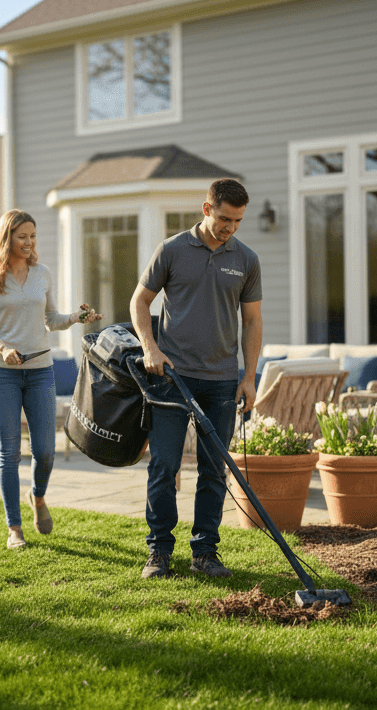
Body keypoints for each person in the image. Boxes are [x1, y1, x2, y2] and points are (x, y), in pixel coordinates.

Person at [129, 178, 262, 578]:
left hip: (222, 380)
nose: (230, 228)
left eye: (238, 221)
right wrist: (150, 348)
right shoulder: (171, 250)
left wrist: (249, 376)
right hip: (172, 378)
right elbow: (139, 300)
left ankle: (205, 552)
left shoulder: (246, 259)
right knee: (164, 466)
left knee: (212, 469)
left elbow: (252, 320)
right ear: (207, 210)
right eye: (224, 219)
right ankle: (159, 551)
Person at [0, 209, 103, 549]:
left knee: (45, 452)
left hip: (39, 372)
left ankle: (38, 496)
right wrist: (2, 347)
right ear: (7, 238)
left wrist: (77, 317)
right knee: (10, 453)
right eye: (22, 236)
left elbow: (50, 320)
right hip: (2, 374)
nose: (29, 242)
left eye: (33, 236)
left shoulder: (42, 274)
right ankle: (14, 529)